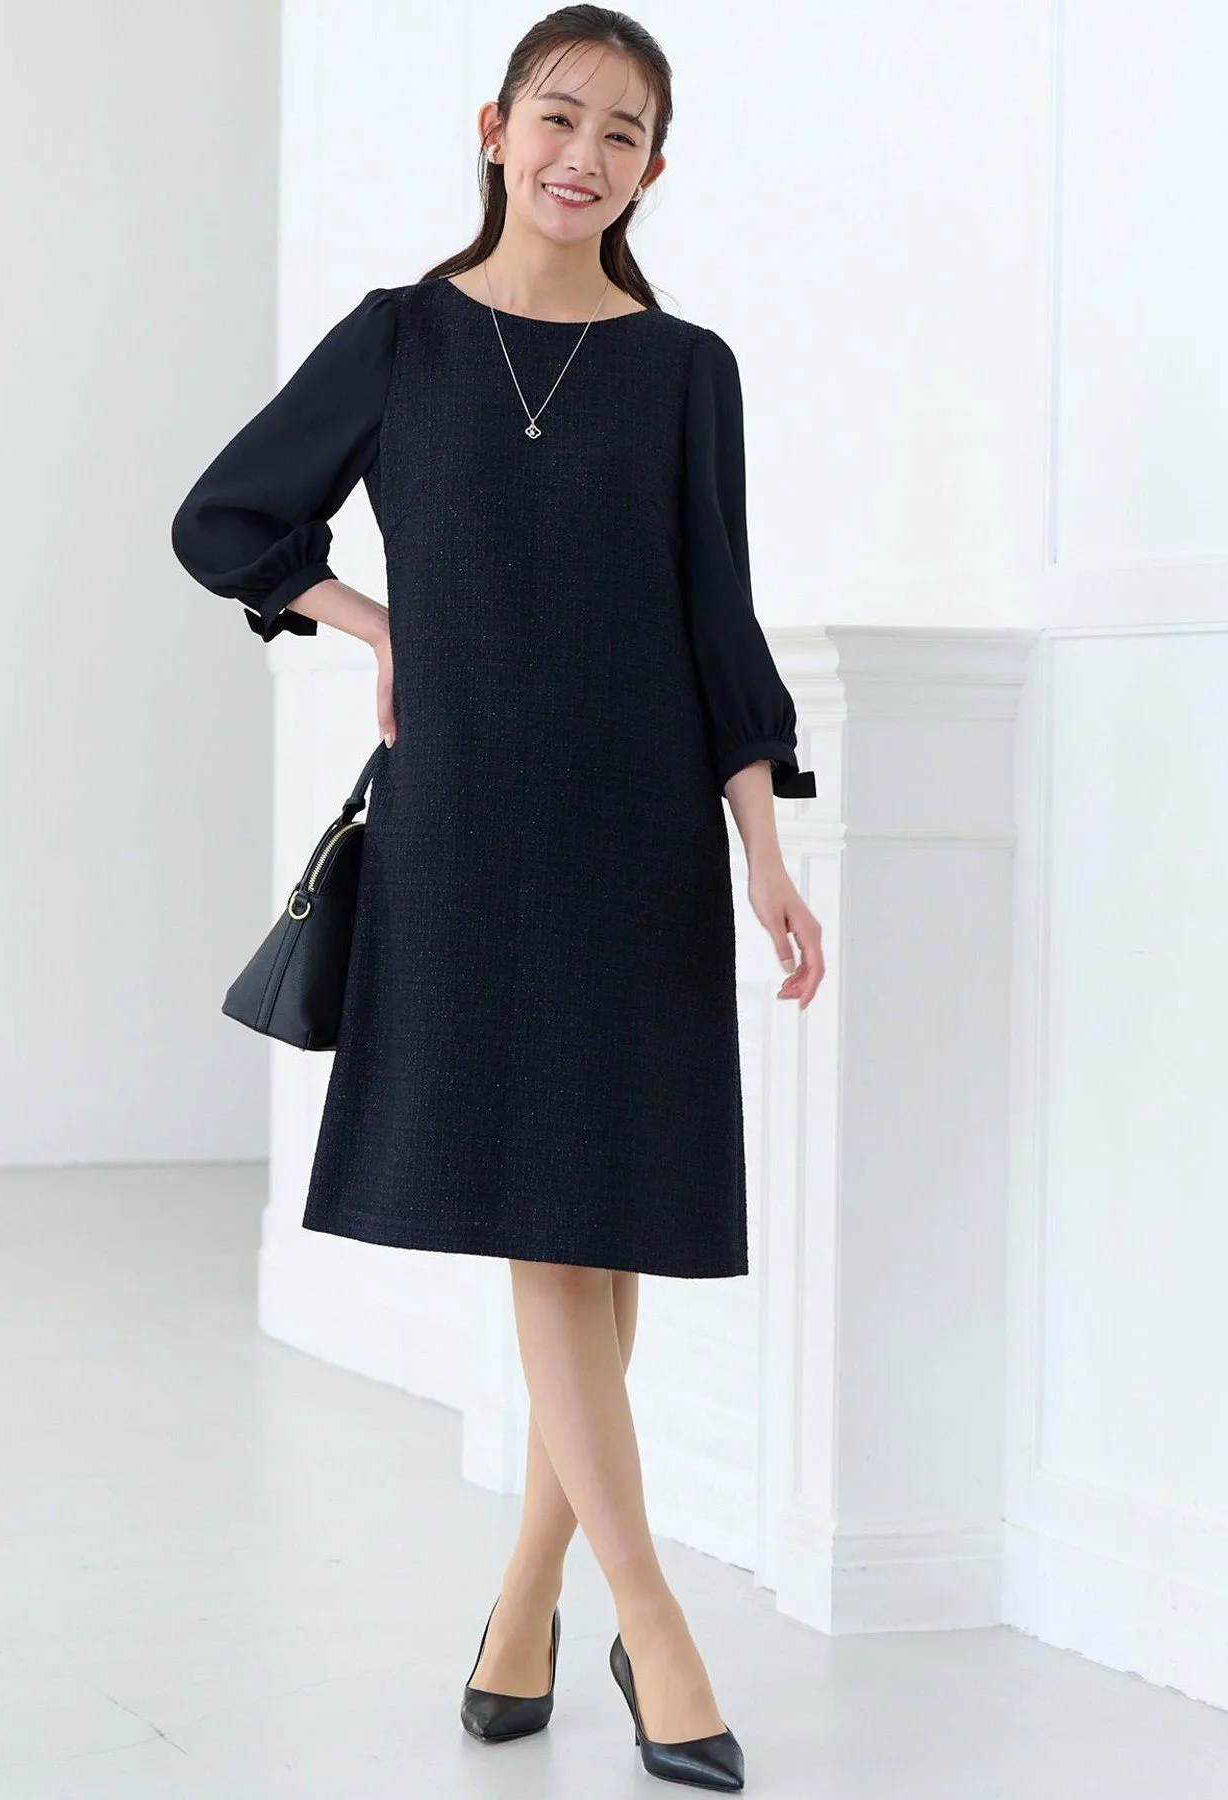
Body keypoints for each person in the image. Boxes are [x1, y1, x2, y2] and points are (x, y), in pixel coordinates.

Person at [171, 6, 825, 1790]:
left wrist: (763, 847)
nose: (583, 155)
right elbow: (227, 520)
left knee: (599, 1227)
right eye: (559, 116)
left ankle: (527, 1606)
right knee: (551, 1220)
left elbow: (716, 619)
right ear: (494, 126)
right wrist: (366, 616)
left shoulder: (686, 370)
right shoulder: (400, 340)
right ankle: (655, 1624)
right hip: (465, 833)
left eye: (622, 132)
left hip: (639, 836)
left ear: (655, 167)